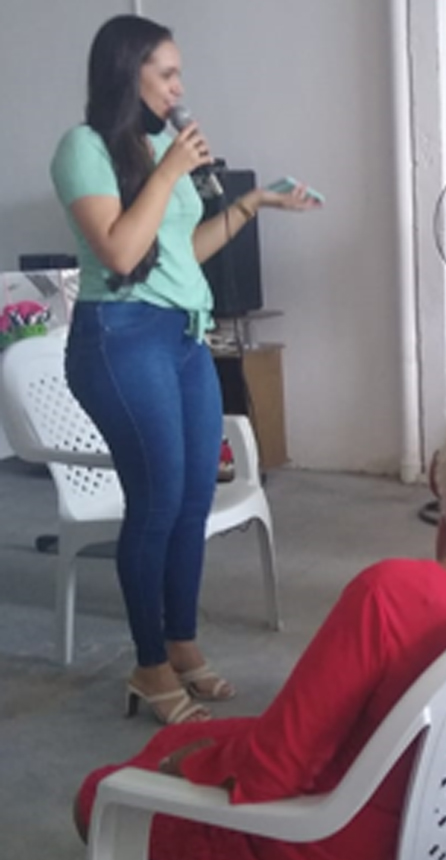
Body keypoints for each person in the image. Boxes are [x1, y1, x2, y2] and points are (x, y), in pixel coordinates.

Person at [73, 377, 446, 860]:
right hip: (439, 820)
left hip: (327, 850)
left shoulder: (390, 597)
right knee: (184, 738)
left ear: (437, 475)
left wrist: (189, 765)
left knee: (101, 793)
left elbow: (275, 771)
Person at [50, 15, 319, 724]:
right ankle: (147, 665)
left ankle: (180, 644)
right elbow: (118, 253)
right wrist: (170, 171)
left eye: (178, 73)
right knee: (158, 501)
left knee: (195, 497)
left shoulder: (160, 144)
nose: (179, 87)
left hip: (181, 336)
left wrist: (254, 203)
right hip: (120, 337)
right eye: (167, 73)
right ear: (126, 71)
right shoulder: (84, 148)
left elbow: (180, 253)